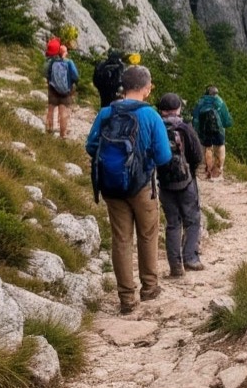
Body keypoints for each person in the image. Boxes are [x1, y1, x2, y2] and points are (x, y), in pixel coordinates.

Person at [85, 65, 171, 314]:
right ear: (146, 88)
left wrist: (115, 164)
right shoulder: (151, 115)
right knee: (148, 234)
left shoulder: (106, 113)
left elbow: (91, 146)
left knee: (121, 239)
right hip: (142, 185)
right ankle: (149, 287)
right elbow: (164, 156)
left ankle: (126, 298)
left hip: (112, 186)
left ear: (124, 86)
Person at [155, 92, 206, 276]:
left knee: (173, 224)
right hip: (186, 181)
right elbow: (197, 156)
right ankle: (190, 257)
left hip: (164, 183)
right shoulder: (184, 128)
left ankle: (175, 266)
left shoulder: (156, 127)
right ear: (178, 109)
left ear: (161, 109)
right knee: (192, 220)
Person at [192, 86, 234, 181]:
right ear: (216, 93)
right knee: (220, 147)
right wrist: (226, 124)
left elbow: (195, 117)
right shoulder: (219, 102)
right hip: (218, 129)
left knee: (208, 148)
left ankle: (209, 172)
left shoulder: (201, 102)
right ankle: (219, 171)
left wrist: (197, 130)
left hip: (205, 129)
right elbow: (226, 118)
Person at [43, 43, 78, 139]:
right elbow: (75, 75)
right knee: (63, 112)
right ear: (65, 53)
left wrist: (50, 82)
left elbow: (47, 74)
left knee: (50, 110)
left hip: (52, 89)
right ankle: (63, 134)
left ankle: (49, 130)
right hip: (65, 91)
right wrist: (71, 83)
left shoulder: (52, 62)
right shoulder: (69, 62)